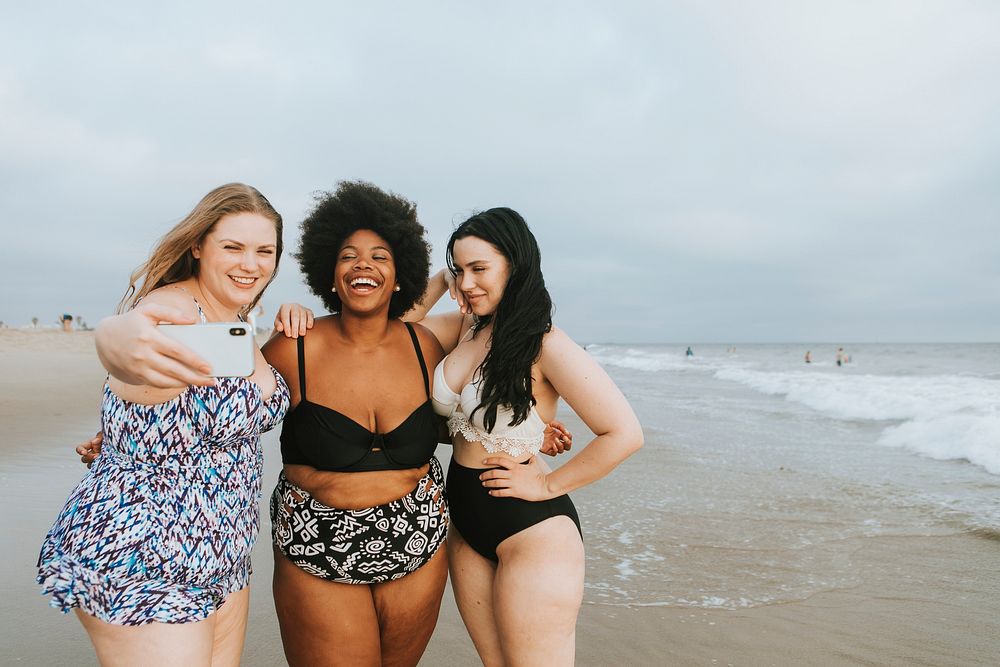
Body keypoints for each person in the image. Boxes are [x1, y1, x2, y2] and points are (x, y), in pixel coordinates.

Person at [38, 183, 289, 667]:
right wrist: (115, 338)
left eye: (265, 251)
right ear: (198, 246)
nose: (251, 263)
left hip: (221, 553)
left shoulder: (236, 319)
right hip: (144, 555)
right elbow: (131, 344)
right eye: (232, 247)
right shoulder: (174, 311)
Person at [407, 207, 643, 665]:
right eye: (460, 270)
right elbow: (399, 326)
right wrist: (444, 276)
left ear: (515, 265)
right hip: (466, 521)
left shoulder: (544, 342)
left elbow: (624, 433)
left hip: (531, 530)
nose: (468, 282)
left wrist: (547, 484)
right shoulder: (466, 327)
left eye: (480, 268)